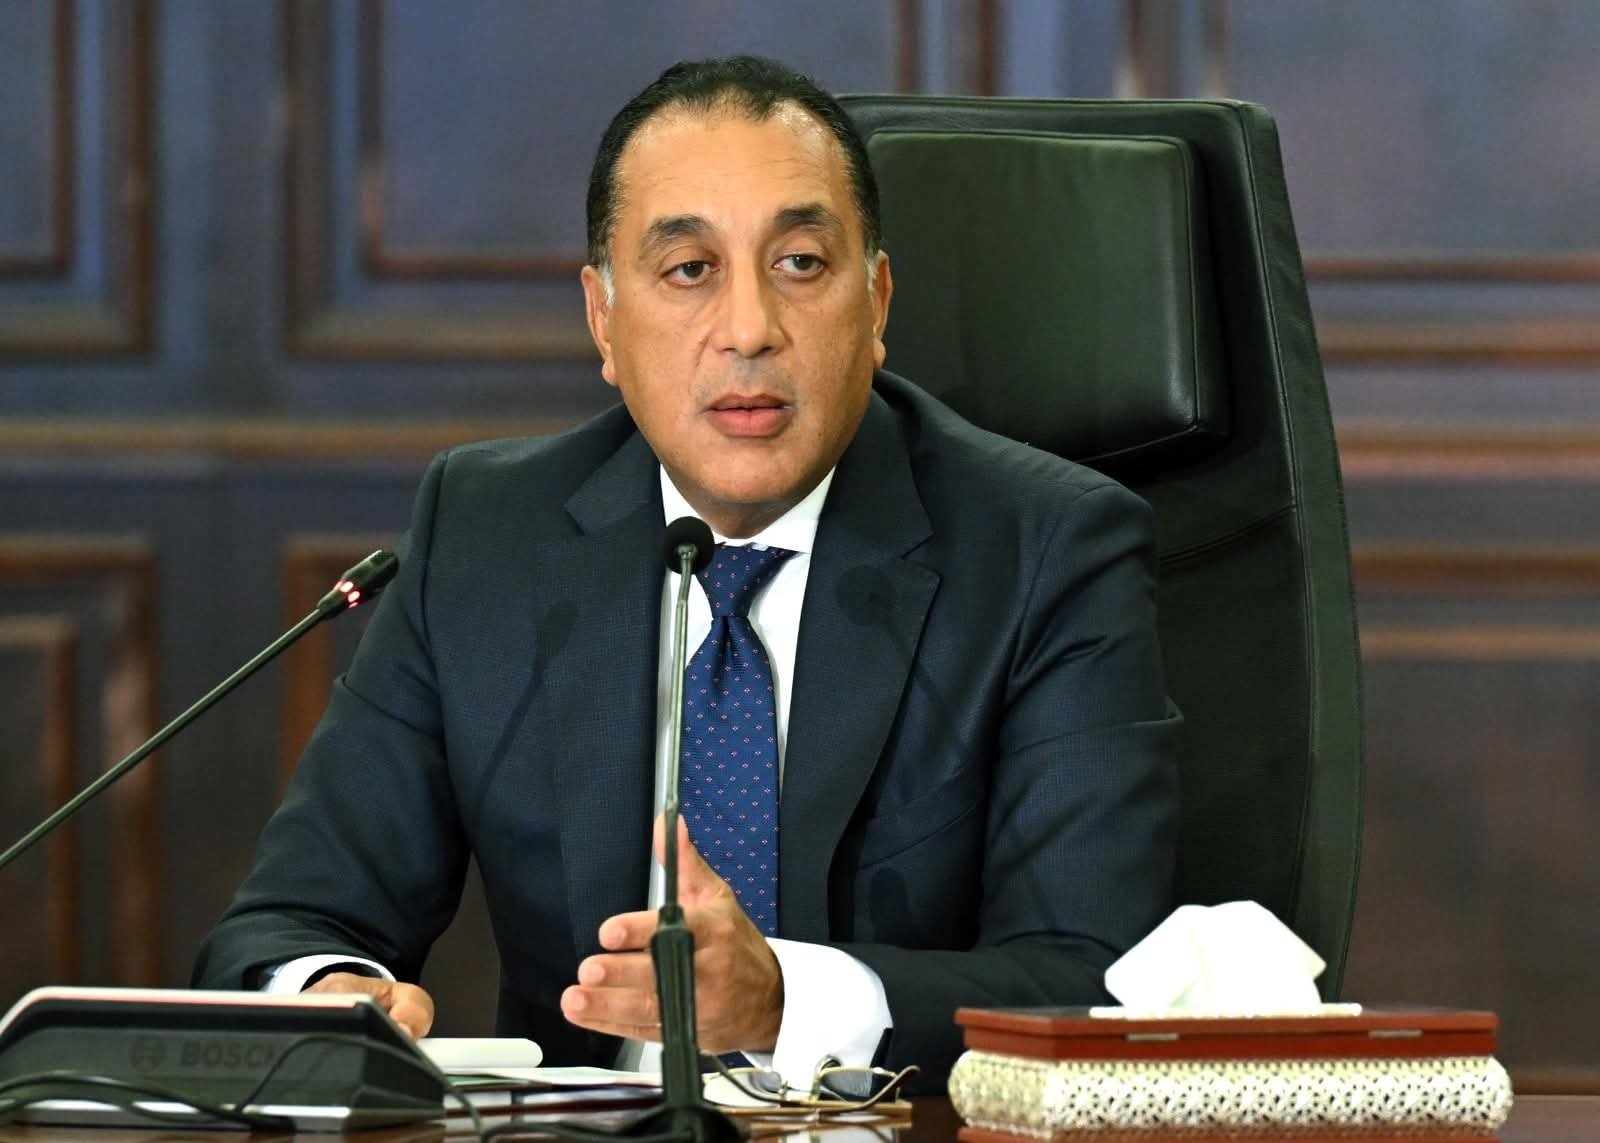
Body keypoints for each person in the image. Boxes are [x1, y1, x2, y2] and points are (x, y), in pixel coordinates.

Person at [193, 55, 1180, 1091]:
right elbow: (292, 921)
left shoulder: (1048, 550)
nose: (748, 329)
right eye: (689, 269)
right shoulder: (487, 536)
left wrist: (786, 1000)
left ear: (877, 301)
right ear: (603, 320)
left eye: (800, 262)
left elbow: (1094, 980)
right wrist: (330, 987)